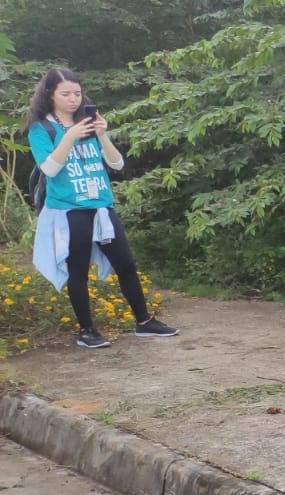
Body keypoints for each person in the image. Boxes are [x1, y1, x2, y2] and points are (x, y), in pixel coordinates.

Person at [26, 68, 179, 349]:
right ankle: (87, 330)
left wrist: (102, 134)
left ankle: (144, 322)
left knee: (127, 265)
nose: (73, 99)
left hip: (101, 206)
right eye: (66, 94)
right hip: (68, 210)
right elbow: (49, 168)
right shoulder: (41, 129)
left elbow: (117, 164)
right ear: (50, 95)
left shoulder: (89, 122)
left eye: (77, 93)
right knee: (78, 272)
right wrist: (70, 136)